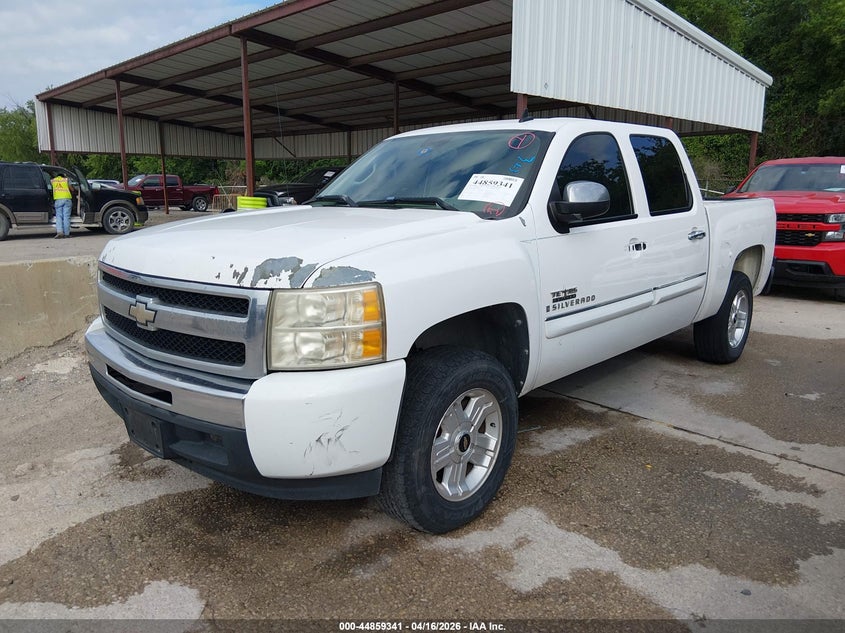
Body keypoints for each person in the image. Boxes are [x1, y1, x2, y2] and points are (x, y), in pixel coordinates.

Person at [50, 173, 74, 238]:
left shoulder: (53, 181)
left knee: (59, 217)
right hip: (66, 199)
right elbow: (72, 189)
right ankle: (67, 234)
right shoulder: (66, 180)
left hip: (58, 200)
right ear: (63, 176)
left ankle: (60, 232)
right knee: (66, 217)